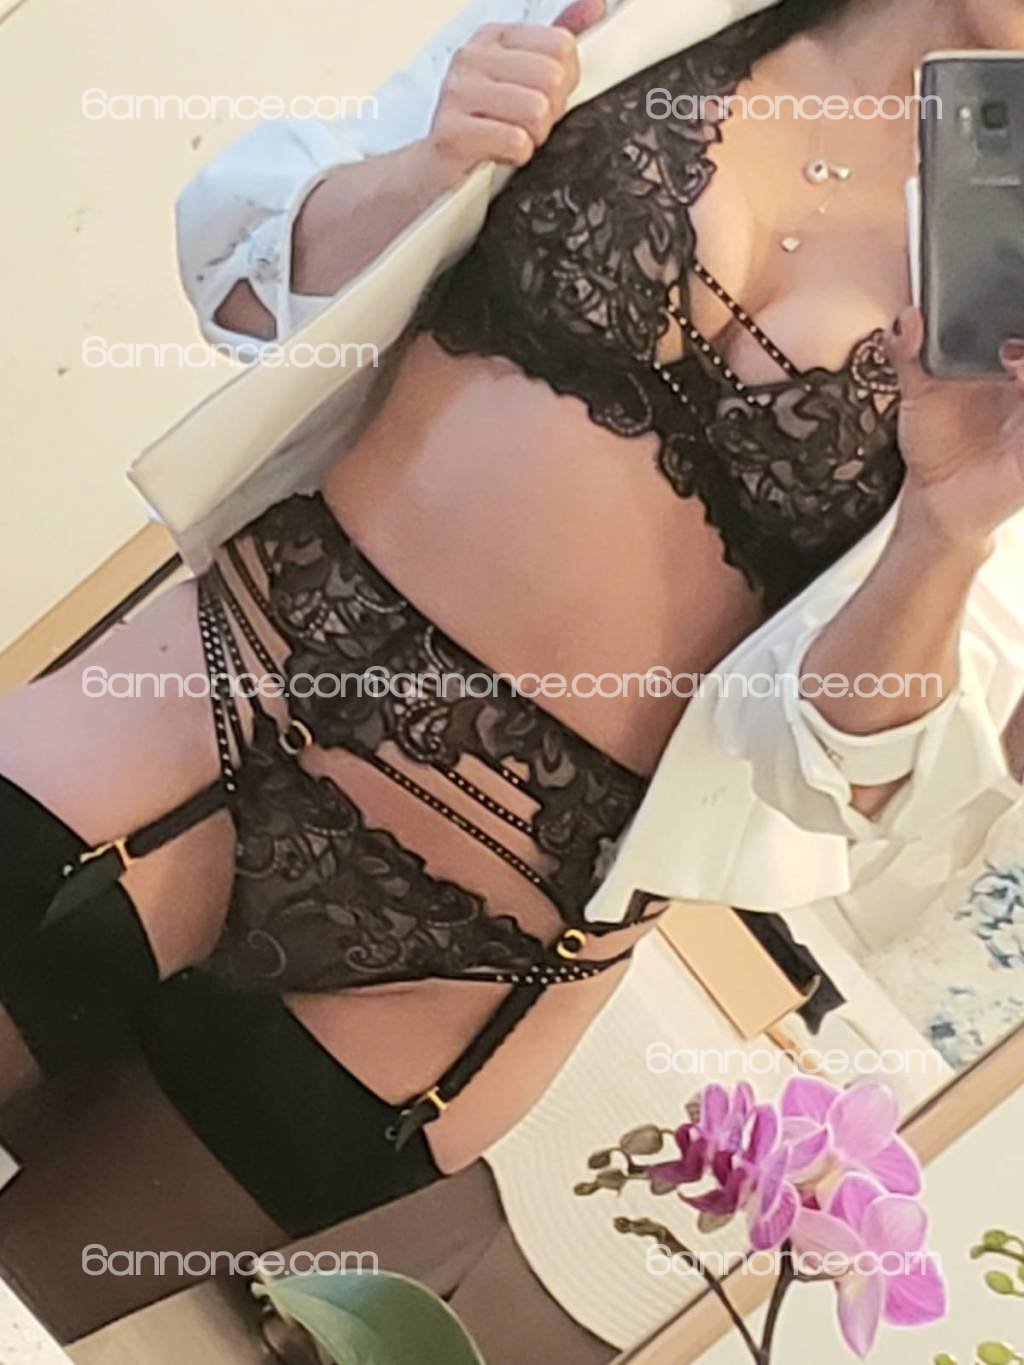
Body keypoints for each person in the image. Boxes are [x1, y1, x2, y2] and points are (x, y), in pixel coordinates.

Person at [2, 0, 1023, 1236]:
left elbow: (854, 784)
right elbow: (244, 280)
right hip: (196, 711)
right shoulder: (639, 14)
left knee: (67, 1296)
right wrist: (428, 169)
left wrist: (947, 528)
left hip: (474, 961)